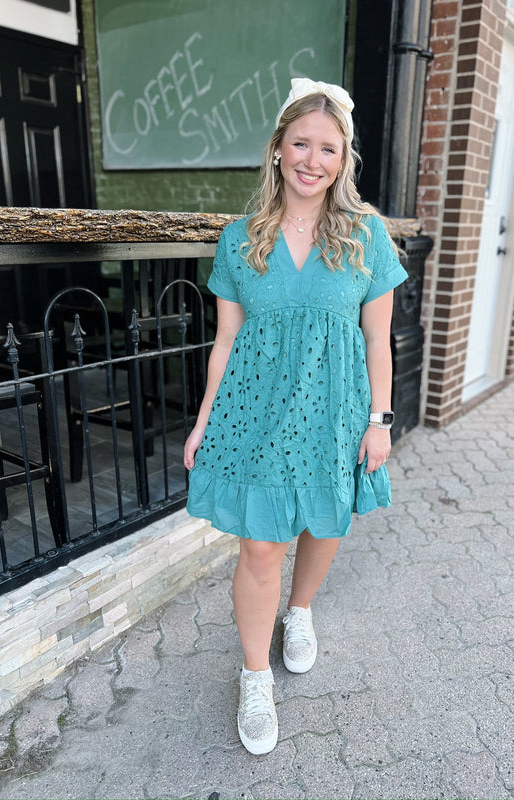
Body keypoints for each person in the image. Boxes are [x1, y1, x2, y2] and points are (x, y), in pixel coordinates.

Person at [184, 78, 408, 755]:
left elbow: (377, 338)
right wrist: (202, 422)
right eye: (301, 144)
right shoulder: (239, 239)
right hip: (255, 411)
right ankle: (255, 677)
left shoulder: (366, 236)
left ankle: (301, 611)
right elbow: (223, 343)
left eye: (329, 149)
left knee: (323, 518)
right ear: (278, 149)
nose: (314, 159)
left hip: (337, 412)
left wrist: (381, 418)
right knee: (258, 546)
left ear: (344, 161)